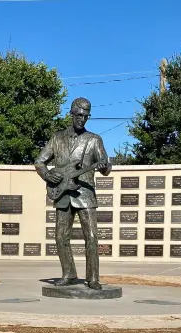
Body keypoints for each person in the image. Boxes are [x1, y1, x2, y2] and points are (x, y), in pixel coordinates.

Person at [34, 97, 112, 290]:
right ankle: (68, 273)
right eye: (78, 115)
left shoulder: (94, 140)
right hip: (62, 193)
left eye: (86, 116)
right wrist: (47, 175)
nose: (82, 120)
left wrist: (105, 167)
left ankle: (93, 278)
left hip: (85, 194)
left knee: (92, 236)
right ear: (71, 113)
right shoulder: (57, 138)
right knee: (60, 236)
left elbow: (105, 166)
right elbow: (39, 161)